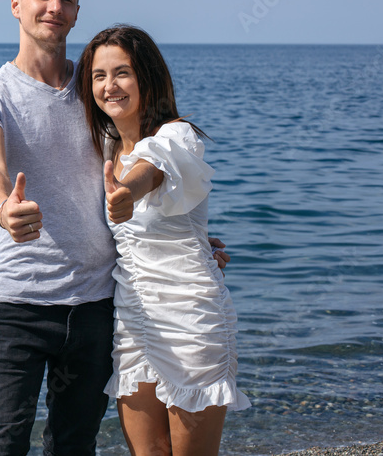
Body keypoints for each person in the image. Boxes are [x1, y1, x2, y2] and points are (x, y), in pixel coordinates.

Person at [0, 0, 229, 456]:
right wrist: (1, 214)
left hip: (97, 305)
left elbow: (151, 163)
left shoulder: (93, 100)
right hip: (17, 303)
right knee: (0, 444)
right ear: (16, 4)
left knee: (73, 445)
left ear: (77, 11)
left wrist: (188, 240)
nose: (54, 7)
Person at [78, 25, 249, 455]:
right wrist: (2, 237)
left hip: (189, 316)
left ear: (148, 77)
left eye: (123, 73)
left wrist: (124, 195)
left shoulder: (178, 136)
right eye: (99, 76)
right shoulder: (105, 144)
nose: (109, 86)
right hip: (133, 318)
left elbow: (152, 171)